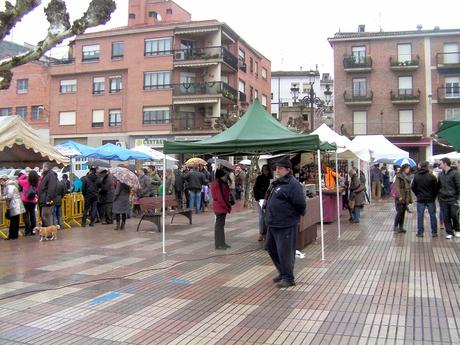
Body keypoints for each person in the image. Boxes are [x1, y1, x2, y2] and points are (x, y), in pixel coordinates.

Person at [265, 156, 306, 288]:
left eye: (280, 168)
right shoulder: (279, 182)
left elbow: (300, 204)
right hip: (273, 223)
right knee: (271, 248)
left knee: (285, 252)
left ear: (288, 169)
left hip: (286, 224)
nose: (277, 170)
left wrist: (292, 216)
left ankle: (288, 278)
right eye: (276, 168)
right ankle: (283, 272)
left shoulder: (292, 184)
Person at [411, 162, 439, 237]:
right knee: (432, 215)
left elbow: (413, 187)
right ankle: (434, 232)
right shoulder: (431, 176)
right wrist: (433, 196)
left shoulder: (416, 176)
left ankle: (420, 232)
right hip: (430, 198)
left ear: (420, 167)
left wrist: (418, 194)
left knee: (420, 215)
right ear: (426, 167)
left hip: (420, 198)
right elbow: (436, 188)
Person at [437, 157, 460, 239]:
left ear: (445, 163)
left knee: (454, 214)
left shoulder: (455, 173)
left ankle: (457, 230)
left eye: (440, 163)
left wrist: (457, 197)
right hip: (443, 199)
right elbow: (438, 186)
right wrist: (439, 196)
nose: (439, 165)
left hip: (453, 198)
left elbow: (458, 186)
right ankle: (450, 232)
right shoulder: (441, 174)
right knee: (445, 216)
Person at [210, 169, 232, 250]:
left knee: (221, 225)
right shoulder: (217, 184)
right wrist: (227, 206)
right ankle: (218, 244)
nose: (225, 177)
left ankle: (222, 242)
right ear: (220, 176)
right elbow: (220, 197)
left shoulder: (222, 183)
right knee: (219, 226)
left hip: (221, 206)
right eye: (224, 175)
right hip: (220, 207)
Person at [1, 176, 25, 240]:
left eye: (1, 181)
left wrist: (2, 198)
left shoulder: (9, 186)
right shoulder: (12, 185)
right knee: (15, 221)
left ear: (4, 180)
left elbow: (9, 196)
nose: (1, 183)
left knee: (13, 221)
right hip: (16, 205)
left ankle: (12, 236)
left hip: (14, 205)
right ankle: (13, 235)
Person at [18, 170, 40, 236]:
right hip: (33, 201)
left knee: (26, 217)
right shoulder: (37, 183)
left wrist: (25, 175)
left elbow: (19, 180)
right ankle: (33, 231)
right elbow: (40, 178)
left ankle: (27, 232)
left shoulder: (26, 182)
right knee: (33, 216)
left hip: (25, 200)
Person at [253, 164, 272, 241]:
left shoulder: (271, 178)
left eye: (266, 170)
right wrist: (258, 197)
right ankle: (261, 233)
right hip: (261, 199)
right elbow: (255, 188)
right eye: (263, 170)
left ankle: (267, 233)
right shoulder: (259, 178)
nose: (265, 171)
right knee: (261, 216)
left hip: (269, 199)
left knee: (267, 216)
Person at [393, 164, 413, 233]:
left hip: (406, 196)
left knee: (403, 212)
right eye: (407, 168)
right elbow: (396, 187)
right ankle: (395, 226)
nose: (408, 169)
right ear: (404, 169)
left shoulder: (408, 176)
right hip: (400, 196)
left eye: (409, 168)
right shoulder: (399, 176)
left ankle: (401, 227)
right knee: (399, 212)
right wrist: (399, 196)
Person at [37, 162, 58, 227]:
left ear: (46, 167)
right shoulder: (47, 175)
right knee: (45, 216)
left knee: (46, 216)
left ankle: (49, 232)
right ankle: (48, 232)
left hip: (46, 200)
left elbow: (51, 188)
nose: (42, 168)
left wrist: (48, 199)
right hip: (44, 199)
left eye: (43, 167)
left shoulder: (50, 175)